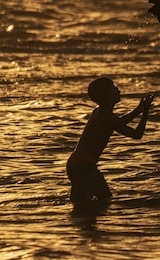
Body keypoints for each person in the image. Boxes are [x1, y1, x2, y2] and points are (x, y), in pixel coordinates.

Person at [66, 77, 154, 205]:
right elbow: (137, 134)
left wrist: (139, 110)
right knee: (105, 200)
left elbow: (118, 123)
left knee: (81, 206)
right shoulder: (106, 117)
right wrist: (145, 112)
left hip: (75, 165)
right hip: (84, 167)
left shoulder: (100, 112)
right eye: (113, 87)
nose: (117, 89)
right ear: (106, 95)